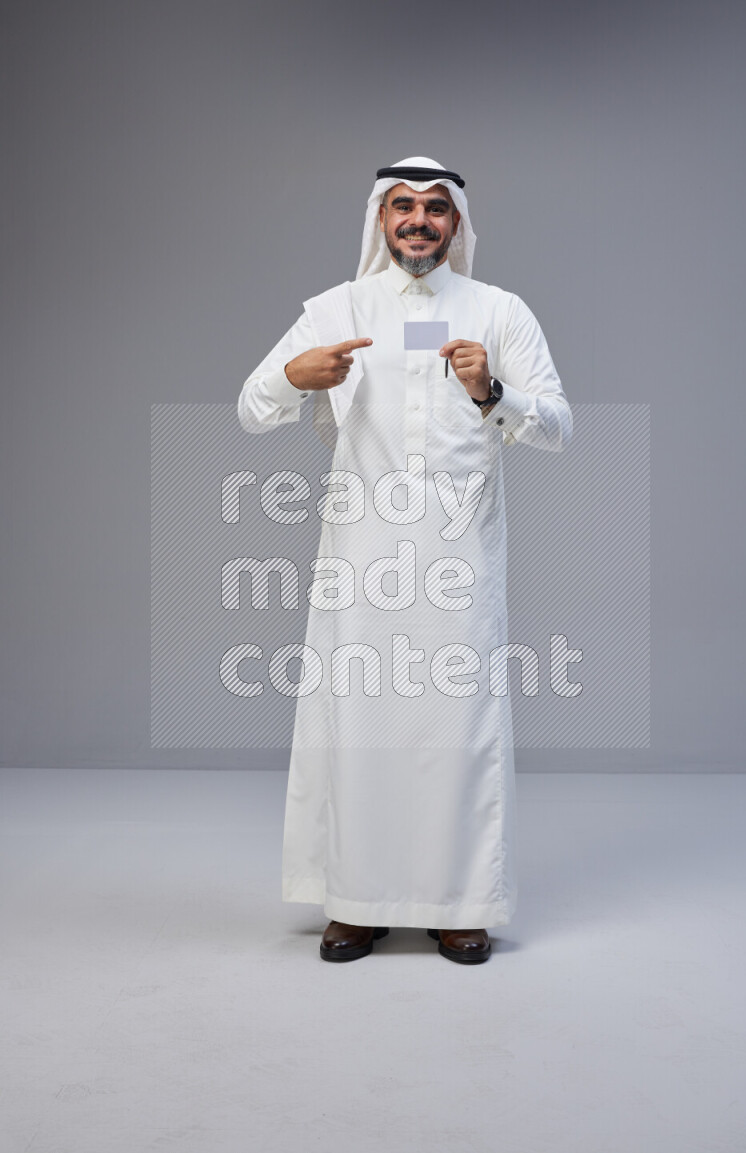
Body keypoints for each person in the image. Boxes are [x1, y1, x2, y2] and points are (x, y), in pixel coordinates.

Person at [237, 156, 572, 965]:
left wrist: (495, 391)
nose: (418, 221)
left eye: (434, 208)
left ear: (456, 223)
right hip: (361, 562)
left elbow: (558, 426)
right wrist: (294, 375)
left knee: (457, 728)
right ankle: (356, 901)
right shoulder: (335, 308)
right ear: (379, 220)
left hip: (460, 562)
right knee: (359, 728)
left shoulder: (499, 311)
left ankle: (461, 904)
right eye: (402, 207)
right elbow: (251, 409)